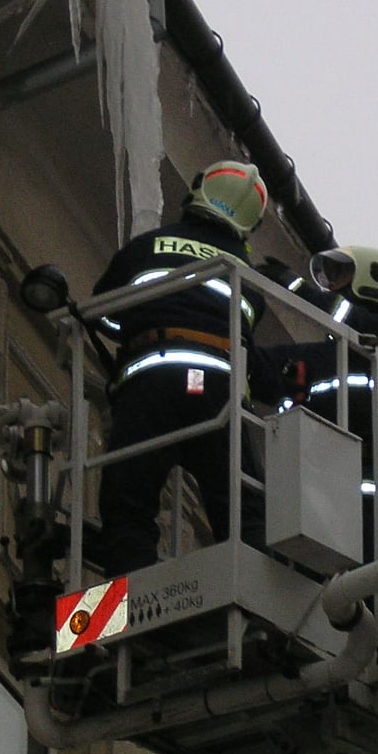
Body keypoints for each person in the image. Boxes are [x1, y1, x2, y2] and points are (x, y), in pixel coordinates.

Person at [92, 159, 270, 575]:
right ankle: (256, 597)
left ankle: (127, 604)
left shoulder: (146, 247)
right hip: (217, 394)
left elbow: (106, 315)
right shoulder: (247, 278)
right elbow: (246, 336)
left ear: (196, 193)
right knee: (242, 507)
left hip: (152, 380)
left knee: (128, 501)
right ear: (247, 227)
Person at [275, 245, 378, 556]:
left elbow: (356, 321)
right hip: (323, 479)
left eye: (340, 274)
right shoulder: (330, 354)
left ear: (375, 281)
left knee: (370, 574)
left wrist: (296, 287)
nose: (331, 284)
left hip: (375, 485)